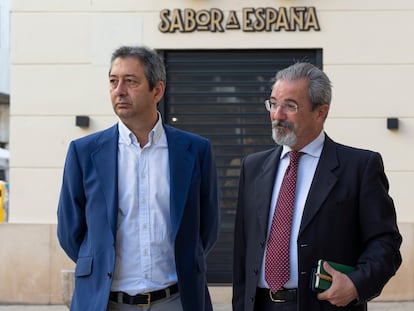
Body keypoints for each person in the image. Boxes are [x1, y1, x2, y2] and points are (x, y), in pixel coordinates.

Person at [57, 46, 220, 311]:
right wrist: (99, 264)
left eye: (130, 82)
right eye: (113, 81)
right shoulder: (84, 152)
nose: (119, 90)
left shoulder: (195, 150)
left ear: (157, 90)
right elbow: (69, 230)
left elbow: (208, 227)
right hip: (106, 302)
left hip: (176, 301)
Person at [232, 62, 402, 311]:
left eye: (290, 106)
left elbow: (385, 243)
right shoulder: (253, 167)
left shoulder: (359, 167)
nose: (277, 115)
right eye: (273, 103)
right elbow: (242, 253)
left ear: (321, 112)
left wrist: (356, 285)